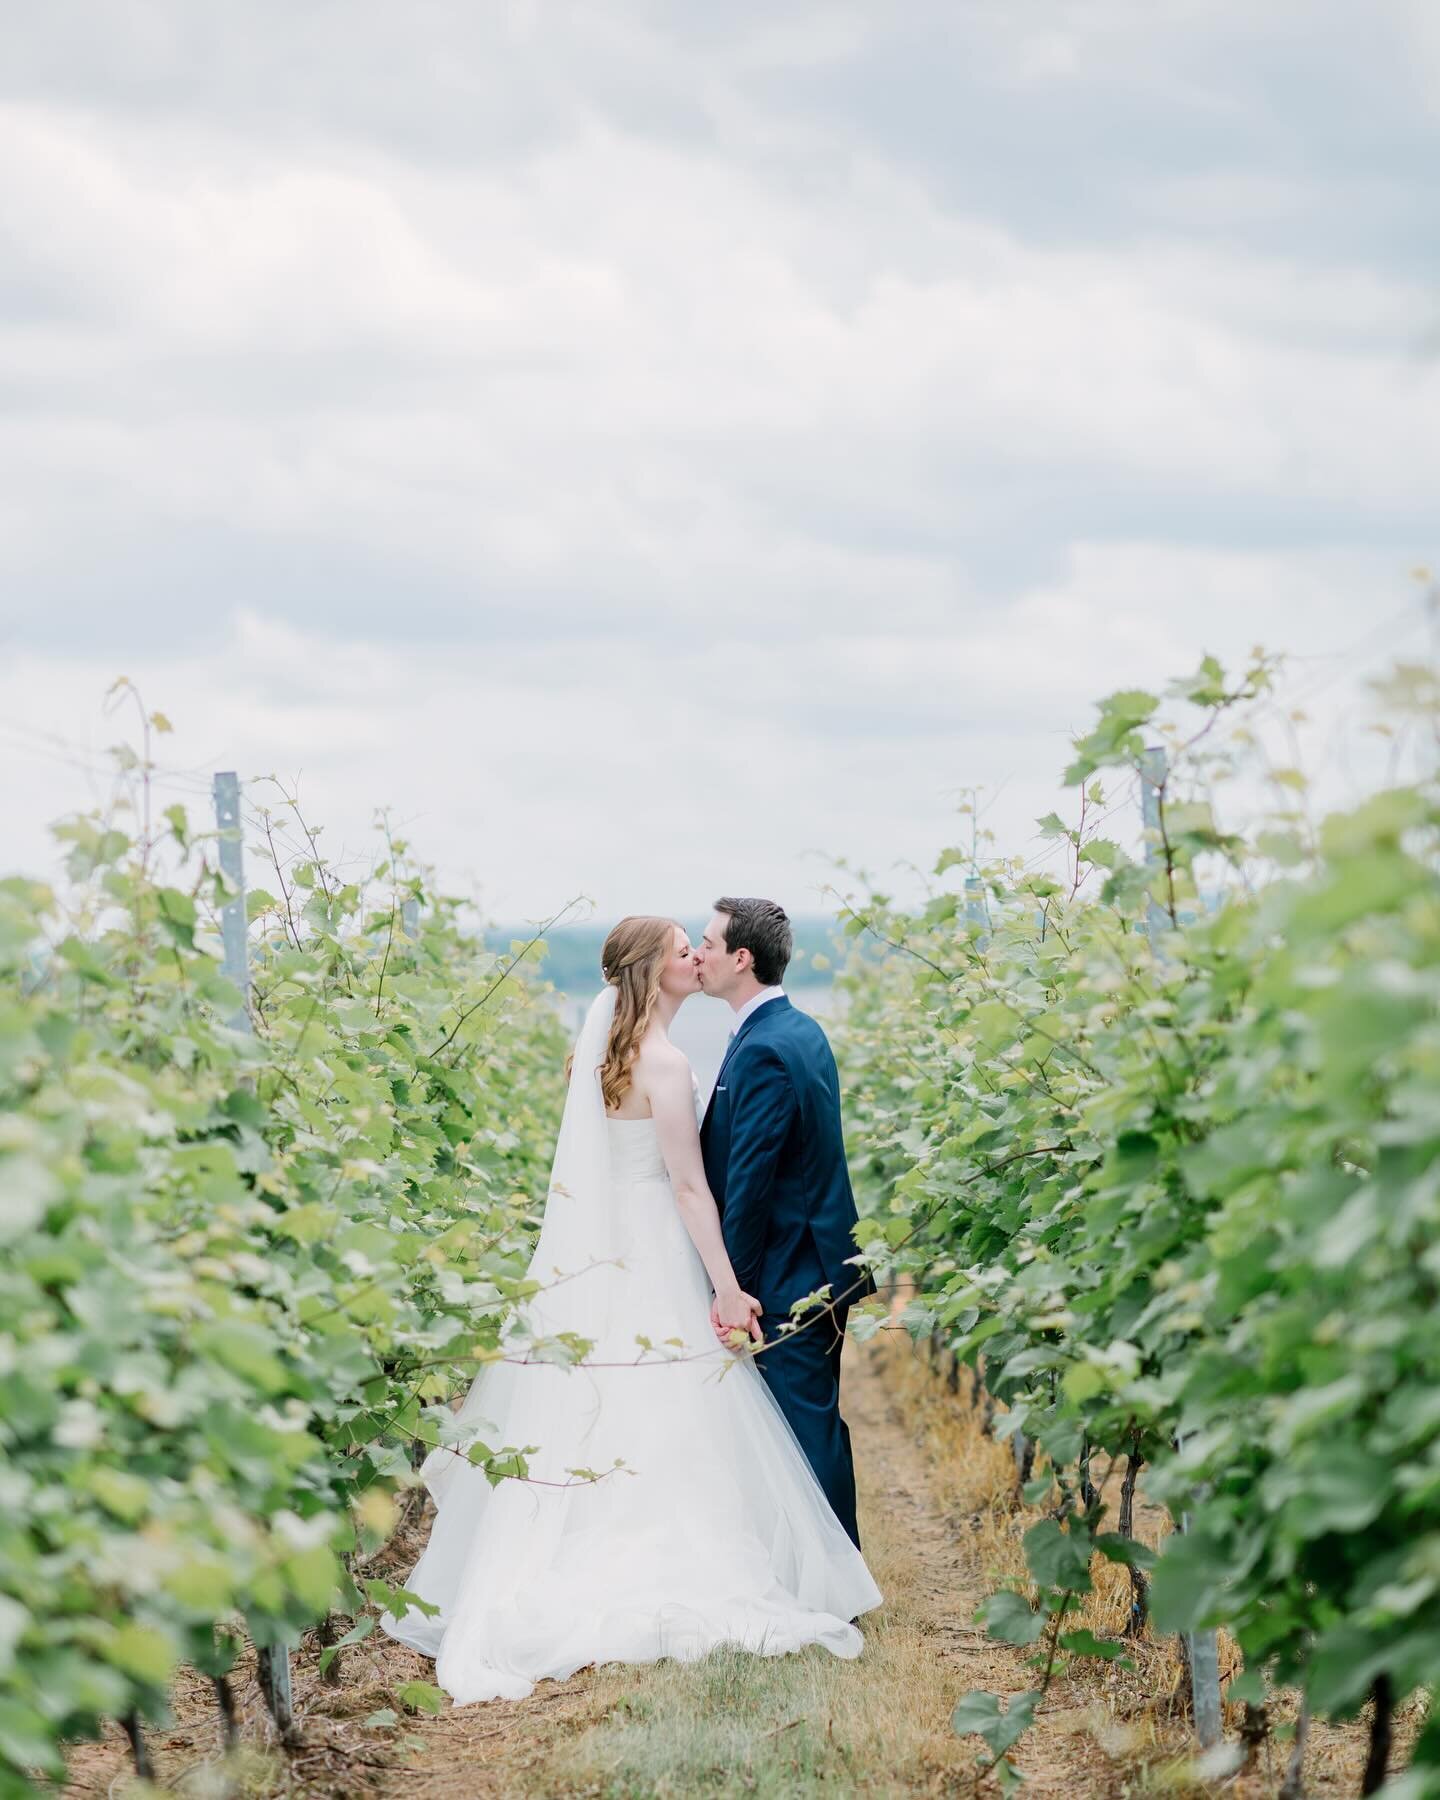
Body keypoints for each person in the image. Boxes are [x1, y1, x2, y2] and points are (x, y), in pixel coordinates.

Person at [379, 915, 881, 1704]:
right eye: (685, 950)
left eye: (701, 945)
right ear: (655, 971)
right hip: (660, 1253)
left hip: (602, 1260)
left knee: (608, 1406)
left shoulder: (597, 1056)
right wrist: (724, 1282)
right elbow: (687, 1188)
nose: (697, 957)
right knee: (675, 1411)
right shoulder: (669, 1062)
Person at [695, 898, 874, 1549]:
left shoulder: (765, 1049)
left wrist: (733, 1290)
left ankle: (837, 1586)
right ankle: (819, 1571)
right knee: (811, 1423)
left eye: (709, 942)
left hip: (792, 1273)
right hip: (817, 1261)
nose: (699, 953)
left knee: (806, 1426)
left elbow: (751, 1184)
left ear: (742, 957)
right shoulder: (797, 1029)